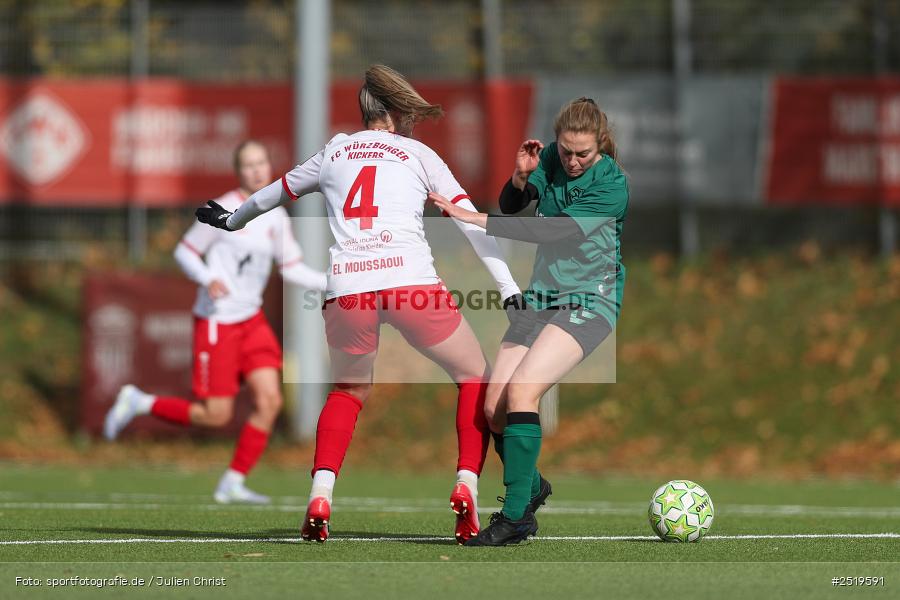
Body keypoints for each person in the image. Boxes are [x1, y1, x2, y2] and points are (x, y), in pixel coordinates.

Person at [195, 65, 522, 543]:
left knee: (348, 391)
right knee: (474, 376)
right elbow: (470, 223)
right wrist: (508, 286)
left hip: (348, 290)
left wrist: (230, 222)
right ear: (397, 112)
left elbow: (272, 194)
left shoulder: (334, 151)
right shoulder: (419, 155)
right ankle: (466, 484)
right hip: (410, 285)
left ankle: (320, 494)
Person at [431, 97, 629, 546]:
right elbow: (514, 204)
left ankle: (516, 516)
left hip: (589, 300)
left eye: (583, 154)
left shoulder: (613, 185)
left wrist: (475, 218)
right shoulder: (553, 161)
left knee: (523, 391)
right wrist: (520, 178)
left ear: (601, 144)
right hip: (541, 298)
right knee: (494, 411)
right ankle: (532, 485)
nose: (573, 162)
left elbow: (552, 229)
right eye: (567, 152)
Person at [104, 140, 327, 504]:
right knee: (215, 415)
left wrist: (330, 281)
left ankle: (233, 482)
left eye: (261, 162)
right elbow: (184, 251)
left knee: (270, 401)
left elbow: (291, 267)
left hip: (252, 321)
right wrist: (207, 277)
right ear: (238, 171)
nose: (257, 170)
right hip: (217, 321)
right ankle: (140, 402)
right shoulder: (222, 209)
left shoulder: (276, 216)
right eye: (248, 164)